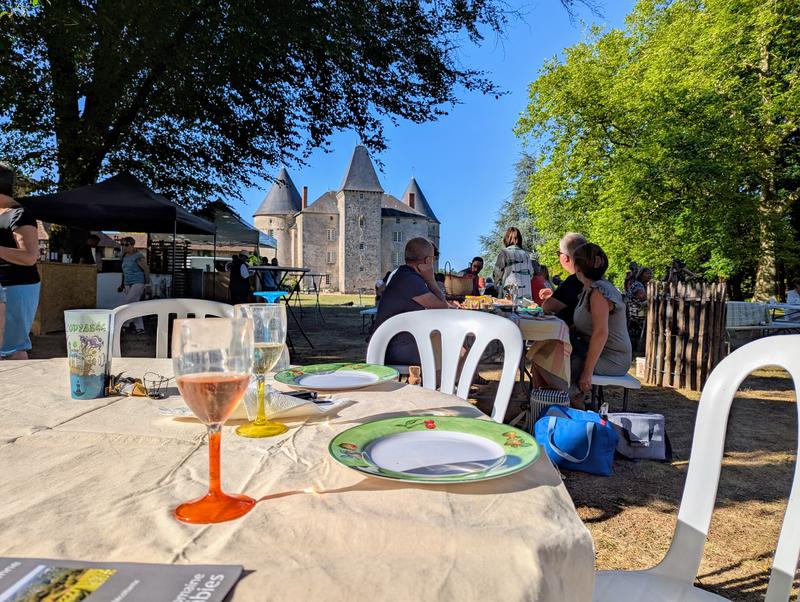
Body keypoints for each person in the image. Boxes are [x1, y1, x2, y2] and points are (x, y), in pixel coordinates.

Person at [570, 243, 632, 406]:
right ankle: (560, 404)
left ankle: (569, 405)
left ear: (577, 267)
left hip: (612, 358)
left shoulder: (599, 292)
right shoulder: (589, 290)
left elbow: (600, 333)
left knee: (563, 363)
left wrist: (587, 372)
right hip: (599, 353)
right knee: (553, 353)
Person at [372, 237, 450, 365]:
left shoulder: (404, 274)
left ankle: (439, 382)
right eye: (433, 259)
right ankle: (440, 383)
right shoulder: (410, 280)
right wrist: (431, 280)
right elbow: (442, 307)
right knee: (455, 348)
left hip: (388, 343)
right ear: (428, 260)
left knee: (442, 340)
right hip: (393, 349)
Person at [0, 163, 41, 359]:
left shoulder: (19, 214)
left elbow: (30, 256)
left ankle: (21, 388)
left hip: (16, 286)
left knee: (11, 348)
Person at [540, 232, 588, 327]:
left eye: (559, 253)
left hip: (577, 338)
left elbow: (547, 307)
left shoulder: (575, 280)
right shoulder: (593, 277)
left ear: (565, 258)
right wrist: (554, 295)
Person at [117, 236, 150, 334]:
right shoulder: (123, 256)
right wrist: (122, 284)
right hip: (127, 282)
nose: (124, 246)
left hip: (138, 282)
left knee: (127, 304)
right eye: (122, 244)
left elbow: (146, 269)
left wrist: (147, 284)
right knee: (134, 305)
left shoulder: (138, 256)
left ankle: (124, 325)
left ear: (132, 245)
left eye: (126, 244)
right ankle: (140, 328)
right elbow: (124, 272)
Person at [493, 227, 533, 299]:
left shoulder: (504, 252)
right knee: (524, 309)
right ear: (520, 239)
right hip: (526, 293)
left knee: (509, 308)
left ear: (507, 238)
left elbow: (497, 273)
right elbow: (531, 274)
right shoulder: (526, 254)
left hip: (509, 291)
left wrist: (496, 286)